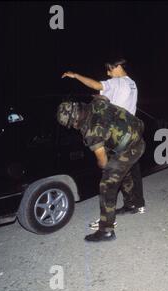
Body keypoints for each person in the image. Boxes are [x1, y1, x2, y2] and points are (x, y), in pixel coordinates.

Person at [61, 58, 145, 228]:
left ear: (118, 67)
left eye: (109, 70)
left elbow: (95, 85)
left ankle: (107, 224)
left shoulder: (117, 83)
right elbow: (104, 98)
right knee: (129, 172)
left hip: (117, 136)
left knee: (109, 179)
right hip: (131, 130)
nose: (108, 73)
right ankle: (135, 205)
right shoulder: (131, 83)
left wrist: (76, 75)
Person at [56, 95, 145, 242]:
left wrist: (102, 165)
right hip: (137, 137)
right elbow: (104, 98)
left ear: (75, 119)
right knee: (124, 171)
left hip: (130, 148)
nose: (73, 127)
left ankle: (106, 231)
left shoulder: (91, 131)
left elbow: (103, 162)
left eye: (71, 124)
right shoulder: (96, 103)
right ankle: (131, 205)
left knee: (107, 184)